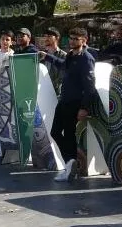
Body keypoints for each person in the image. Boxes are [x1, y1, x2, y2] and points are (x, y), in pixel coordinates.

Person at [40, 28, 97, 182]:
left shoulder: (86, 59)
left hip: (75, 102)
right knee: (55, 132)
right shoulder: (71, 55)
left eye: (76, 39)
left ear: (84, 40)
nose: (72, 41)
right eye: (71, 38)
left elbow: (90, 86)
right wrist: (48, 57)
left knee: (70, 134)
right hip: (64, 100)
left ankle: (70, 167)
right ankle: (71, 163)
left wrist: (84, 108)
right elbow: (64, 66)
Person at [38, 27, 67, 92]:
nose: (46, 38)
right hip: (42, 90)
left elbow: (62, 78)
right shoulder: (41, 54)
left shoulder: (63, 55)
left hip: (56, 92)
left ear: (57, 38)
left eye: (49, 36)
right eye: (45, 36)